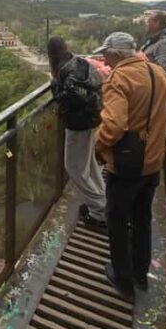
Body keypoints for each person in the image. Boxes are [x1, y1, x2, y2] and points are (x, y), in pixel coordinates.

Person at [93, 31, 166, 300]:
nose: (105, 58)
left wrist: (98, 145)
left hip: (125, 166)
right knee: (141, 218)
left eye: (107, 54)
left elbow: (113, 125)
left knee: (117, 220)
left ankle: (122, 280)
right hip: (152, 164)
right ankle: (140, 274)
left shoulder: (118, 79)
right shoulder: (156, 72)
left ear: (116, 54)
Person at [47, 37, 107, 230]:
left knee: (73, 167)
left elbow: (70, 98)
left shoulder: (66, 71)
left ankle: (100, 209)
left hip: (78, 124)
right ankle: (101, 200)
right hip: (91, 119)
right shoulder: (78, 61)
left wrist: (54, 87)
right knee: (88, 163)